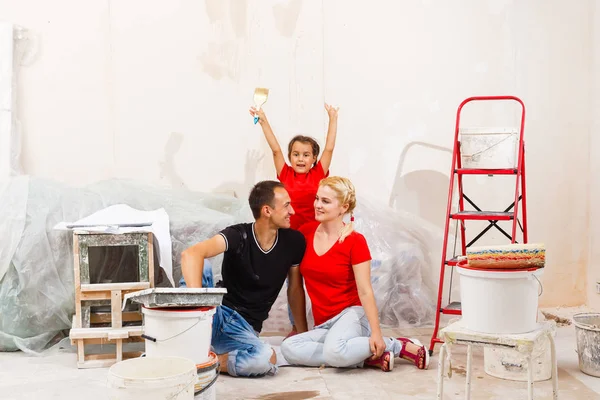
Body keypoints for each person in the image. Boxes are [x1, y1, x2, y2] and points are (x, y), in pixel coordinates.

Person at [280, 176, 430, 372]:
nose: (317, 205)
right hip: (323, 323)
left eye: (325, 201)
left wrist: (376, 333)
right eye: (317, 199)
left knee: (334, 352)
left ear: (343, 207)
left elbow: (366, 291)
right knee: (289, 348)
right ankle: (366, 357)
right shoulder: (305, 234)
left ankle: (395, 345)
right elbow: (296, 285)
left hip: (351, 315)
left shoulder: (355, 241)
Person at [180, 180, 308, 377]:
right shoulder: (237, 235)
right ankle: (189, 335)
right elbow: (190, 254)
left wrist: (302, 333)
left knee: (265, 358)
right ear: (267, 210)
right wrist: (200, 314)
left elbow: (295, 289)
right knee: (201, 264)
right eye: (286, 206)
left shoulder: (294, 242)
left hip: (244, 328)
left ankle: (206, 360)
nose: (292, 211)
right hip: (214, 313)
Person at [249, 102, 339, 334]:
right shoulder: (285, 173)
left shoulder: (319, 173)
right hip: (289, 238)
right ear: (290, 157)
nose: (300, 159)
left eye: (306, 155)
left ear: (313, 159)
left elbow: (329, 149)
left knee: (318, 281)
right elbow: (275, 149)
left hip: (313, 237)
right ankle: (298, 327)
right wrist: (263, 119)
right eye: (296, 154)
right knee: (294, 282)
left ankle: (328, 323)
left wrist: (333, 118)